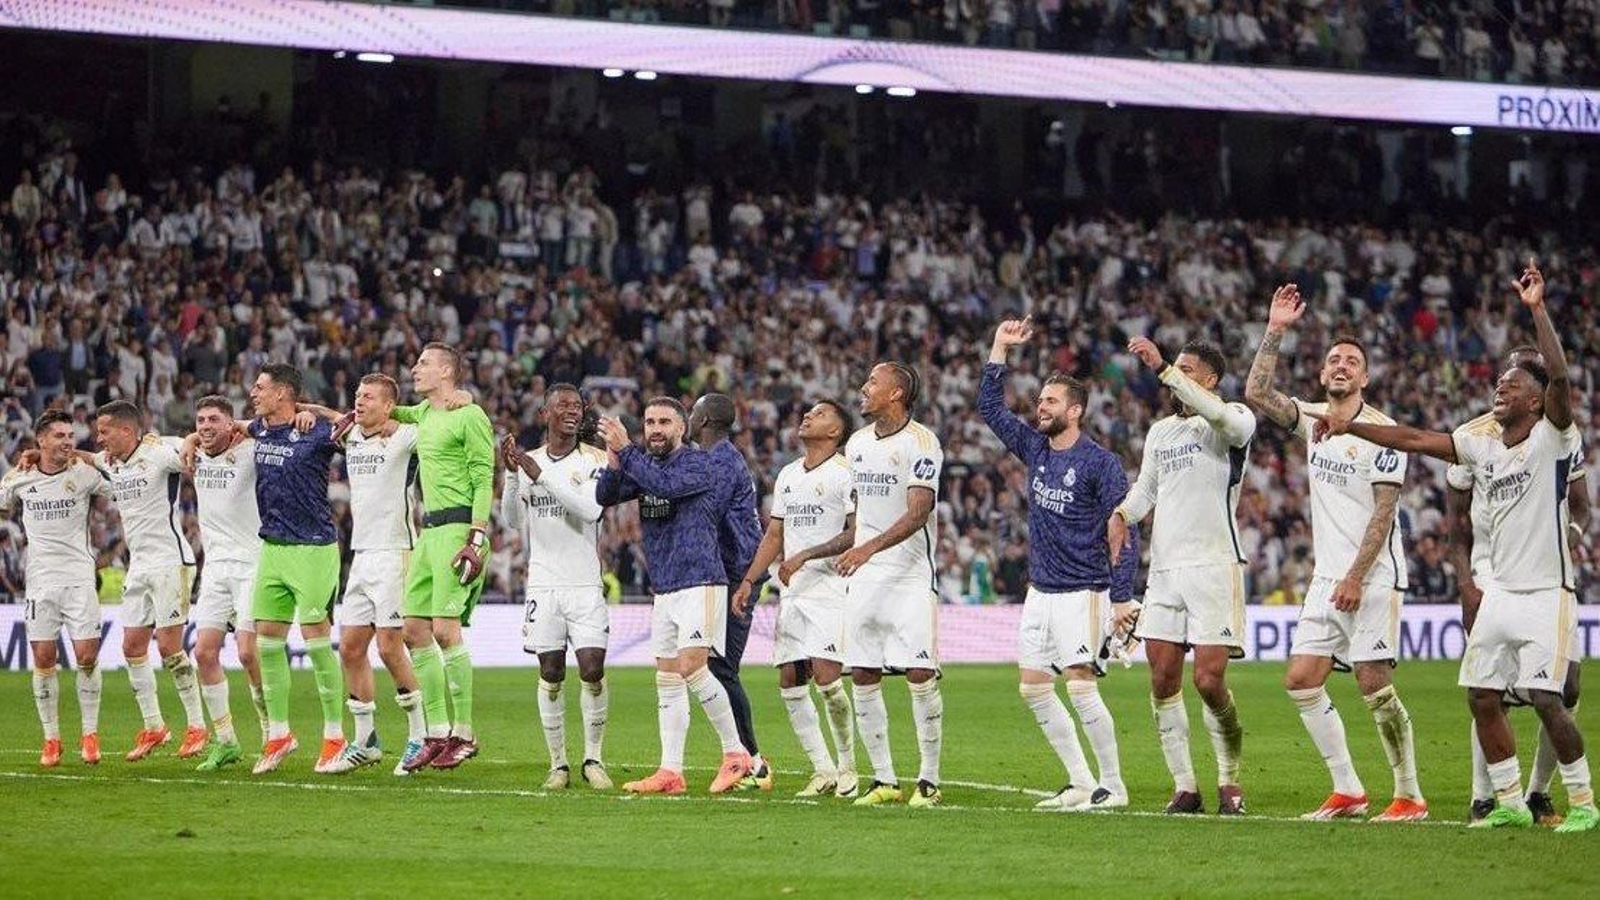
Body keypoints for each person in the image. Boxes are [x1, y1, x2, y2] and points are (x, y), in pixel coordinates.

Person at [1308, 262, 1595, 833]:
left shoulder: (1554, 439)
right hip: (1499, 592)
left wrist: (1538, 310)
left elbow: (1561, 380)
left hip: (1547, 592)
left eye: (1512, 386)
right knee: (1482, 696)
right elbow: (1414, 438)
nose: (1500, 389)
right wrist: (1349, 426)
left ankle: (1583, 802)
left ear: (1538, 402)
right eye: (1498, 384)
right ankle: (1506, 800)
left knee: (1547, 697)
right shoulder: (1480, 446)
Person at [1244, 285, 1427, 822]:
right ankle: (1348, 790)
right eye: (1334, 360)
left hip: (1372, 576)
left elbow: (1384, 512)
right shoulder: (1314, 418)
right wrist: (1275, 329)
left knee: (1373, 682)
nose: (1341, 366)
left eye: (1352, 361)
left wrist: (1354, 576)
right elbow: (1257, 392)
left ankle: (1410, 794)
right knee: (1302, 679)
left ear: (1365, 378)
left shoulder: (1384, 432)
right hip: (1327, 577)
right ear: (1323, 374)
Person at [981, 318, 1136, 811]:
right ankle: (1080, 782)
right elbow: (991, 409)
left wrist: (1122, 597)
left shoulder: (1100, 463)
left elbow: (1123, 530)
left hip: (1084, 590)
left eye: (1050, 401)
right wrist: (999, 348)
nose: (1040, 407)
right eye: (1040, 401)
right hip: (1041, 591)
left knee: (1081, 685)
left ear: (1075, 410)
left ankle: (1114, 785)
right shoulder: (1036, 448)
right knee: (1033, 688)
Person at [1107, 337, 1254, 816]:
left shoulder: (1232, 420)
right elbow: (1146, 489)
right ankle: (1185, 787)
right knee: (1162, 677)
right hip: (1166, 570)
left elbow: (1225, 419)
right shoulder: (1160, 432)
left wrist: (1163, 367)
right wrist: (1122, 515)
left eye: (1188, 371)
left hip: (1214, 566)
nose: (1177, 377)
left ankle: (1229, 779)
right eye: (1177, 370)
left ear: (1211, 380)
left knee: (1208, 680)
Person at [1448, 343, 1589, 825]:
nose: (1510, 382)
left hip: (1547, 569)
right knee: (1486, 686)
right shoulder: (1471, 436)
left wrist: (1571, 536)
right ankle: (1485, 796)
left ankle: (1538, 792)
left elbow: (1581, 503)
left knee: (1564, 689)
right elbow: (1456, 523)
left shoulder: (1556, 433)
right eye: (1507, 375)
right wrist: (1466, 583)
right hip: (1492, 571)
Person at [595, 398, 753, 795]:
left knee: (693, 668)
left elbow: (665, 486)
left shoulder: (699, 464)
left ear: (683, 428)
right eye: (649, 422)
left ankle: (736, 754)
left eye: (664, 421)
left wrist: (627, 449)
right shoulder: (645, 465)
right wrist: (614, 456)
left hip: (700, 580)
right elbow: (605, 495)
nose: (655, 429)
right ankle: (671, 771)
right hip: (664, 586)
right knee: (667, 678)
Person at [733, 399, 859, 798]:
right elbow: (775, 535)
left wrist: (805, 555)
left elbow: (856, 532)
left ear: (836, 431)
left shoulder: (846, 473)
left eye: (820, 414)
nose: (807, 415)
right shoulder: (788, 474)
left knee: (828, 680)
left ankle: (848, 767)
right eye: (809, 412)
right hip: (793, 592)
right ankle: (822, 770)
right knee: (790, 678)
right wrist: (749, 580)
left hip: (831, 588)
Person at [835, 362, 945, 809]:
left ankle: (929, 780)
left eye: (873, 383)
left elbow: (918, 512)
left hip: (910, 575)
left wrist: (868, 548)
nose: (864, 388)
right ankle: (883, 779)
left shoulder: (923, 442)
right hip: (864, 576)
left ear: (896, 393)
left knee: (919, 674)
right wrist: (851, 548)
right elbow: (859, 510)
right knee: (863, 672)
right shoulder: (857, 443)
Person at [500, 384, 613, 790]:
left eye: (577, 406)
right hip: (543, 585)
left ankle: (593, 758)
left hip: (584, 584)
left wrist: (540, 475)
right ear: (544, 414)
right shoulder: (528, 461)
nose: (572, 411)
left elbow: (591, 510)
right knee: (551, 671)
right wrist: (511, 475)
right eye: (562, 405)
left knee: (592, 669)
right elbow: (513, 520)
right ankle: (558, 764)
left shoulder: (595, 459)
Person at [318, 374, 430, 775]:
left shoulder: (405, 437)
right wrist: (307, 410)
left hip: (396, 553)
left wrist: (409, 418)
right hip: (362, 555)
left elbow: (435, 422)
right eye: (357, 396)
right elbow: (332, 416)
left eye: (368, 397)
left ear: (388, 406)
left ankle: (420, 737)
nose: (359, 402)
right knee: (350, 648)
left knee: (389, 648)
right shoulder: (351, 435)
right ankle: (365, 742)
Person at [391, 343, 496, 771]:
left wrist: (476, 536)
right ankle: (437, 732)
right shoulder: (423, 413)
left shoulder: (470, 415)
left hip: (458, 530)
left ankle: (464, 734)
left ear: (447, 372)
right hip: (428, 533)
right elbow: (384, 410)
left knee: (446, 631)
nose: (415, 368)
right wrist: (321, 412)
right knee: (413, 630)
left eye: (424, 363)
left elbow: (484, 477)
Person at [246, 364, 350, 775]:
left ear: (283, 394)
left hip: (314, 549)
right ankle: (279, 734)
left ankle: (335, 736)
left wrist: (315, 410)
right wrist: (191, 437)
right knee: (267, 642)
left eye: (260, 387)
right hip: (272, 548)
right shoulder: (258, 429)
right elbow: (226, 427)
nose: (253, 393)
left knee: (316, 640)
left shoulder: (316, 431)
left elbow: (353, 425)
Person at [92, 401, 207, 762]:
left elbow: (193, 446)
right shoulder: (113, 462)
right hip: (139, 567)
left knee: (169, 647)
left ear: (126, 430)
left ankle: (197, 726)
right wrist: (42, 455)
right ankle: (154, 726)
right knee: (132, 647)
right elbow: (86, 458)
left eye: (104, 432)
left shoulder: (159, 451)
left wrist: (192, 439)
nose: (99, 439)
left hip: (171, 562)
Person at [0, 410, 113, 766]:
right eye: (60, 436)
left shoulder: (83, 474)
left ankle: (90, 734)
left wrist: (83, 456)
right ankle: (51, 739)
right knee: (44, 658)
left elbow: (119, 482)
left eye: (71, 435)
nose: (68, 441)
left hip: (79, 578)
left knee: (87, 656)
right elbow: (2, 505)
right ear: (41, 440)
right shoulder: (20, 478)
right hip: (40, 582)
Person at [689, 392, 769, 790]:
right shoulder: (719, 457)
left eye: (692, 412)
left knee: (722, 669)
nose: (689, 417)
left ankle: (753, 761)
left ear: (704, 420)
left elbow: (705, 512)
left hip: (738, 574)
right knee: (715, 668)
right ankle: (745, 757)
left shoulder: (720, 460)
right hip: (730, 572)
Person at [184, 396, 267, 772]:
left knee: (248, 653)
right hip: (215, 569)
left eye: (214, 420)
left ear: (231, 424)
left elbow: (273, 429)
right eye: (200, 420)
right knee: (203, 653)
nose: (205, 426)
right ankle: (227, 741)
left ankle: (272, 730)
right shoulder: (193, 454)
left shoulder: (250, 452)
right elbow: (142, 446)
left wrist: (244, 427)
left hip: (252, 565)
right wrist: (190, 439)